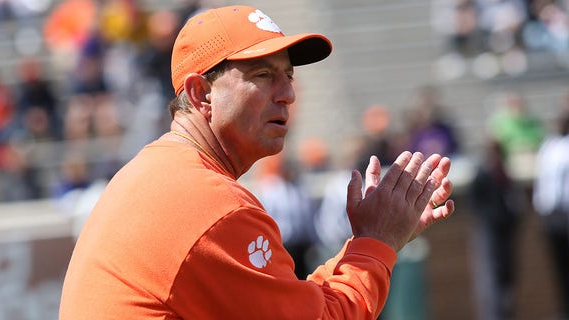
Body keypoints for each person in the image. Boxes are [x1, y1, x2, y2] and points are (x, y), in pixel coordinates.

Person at [59, 5, 455, 319]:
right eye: (263, 74)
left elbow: (295, 304)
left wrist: (366, 243)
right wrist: (377, 243)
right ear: (200, 93)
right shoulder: (211, 205)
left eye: (289, 76)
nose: (287, 94)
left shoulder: (159, 171)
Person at [468, 137, 524, 320]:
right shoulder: (482, 175)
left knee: (507, 281)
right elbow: (476, 207)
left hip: (505, 237)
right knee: (490, 283)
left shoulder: (504, 176)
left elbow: (515, 204)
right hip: (488, 237)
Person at [532, 109, 569, 320]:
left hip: (563, 212)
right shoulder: (550, 146)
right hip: (552, 214)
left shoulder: (552, 147)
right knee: (558, 265)